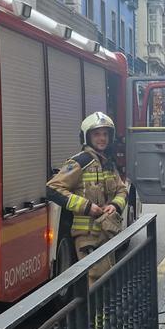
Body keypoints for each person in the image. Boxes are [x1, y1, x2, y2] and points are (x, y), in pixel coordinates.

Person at [46, 112, 128, 284]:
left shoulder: (108, 164)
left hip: (107, 232)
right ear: (87, 136)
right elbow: (53, 188)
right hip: (87, 235)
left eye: (105, 134)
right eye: (97, 134)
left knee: (106, 278)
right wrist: (86, 206)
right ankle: (97, 312)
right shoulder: (79, 162)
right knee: (97, 280)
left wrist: (115, 205)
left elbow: (122, 190)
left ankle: (102, 311)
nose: (102, 138)